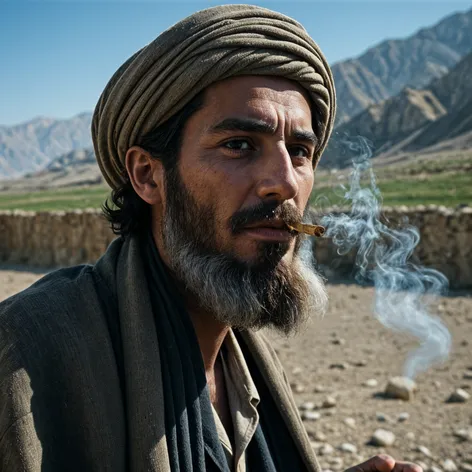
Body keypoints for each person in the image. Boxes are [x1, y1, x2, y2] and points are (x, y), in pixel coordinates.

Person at [0, 5, 422, 472]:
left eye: (300, 151)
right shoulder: (25, 351)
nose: (284, 182)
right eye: (239, 145)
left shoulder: (242, 363)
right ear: (148, 175)